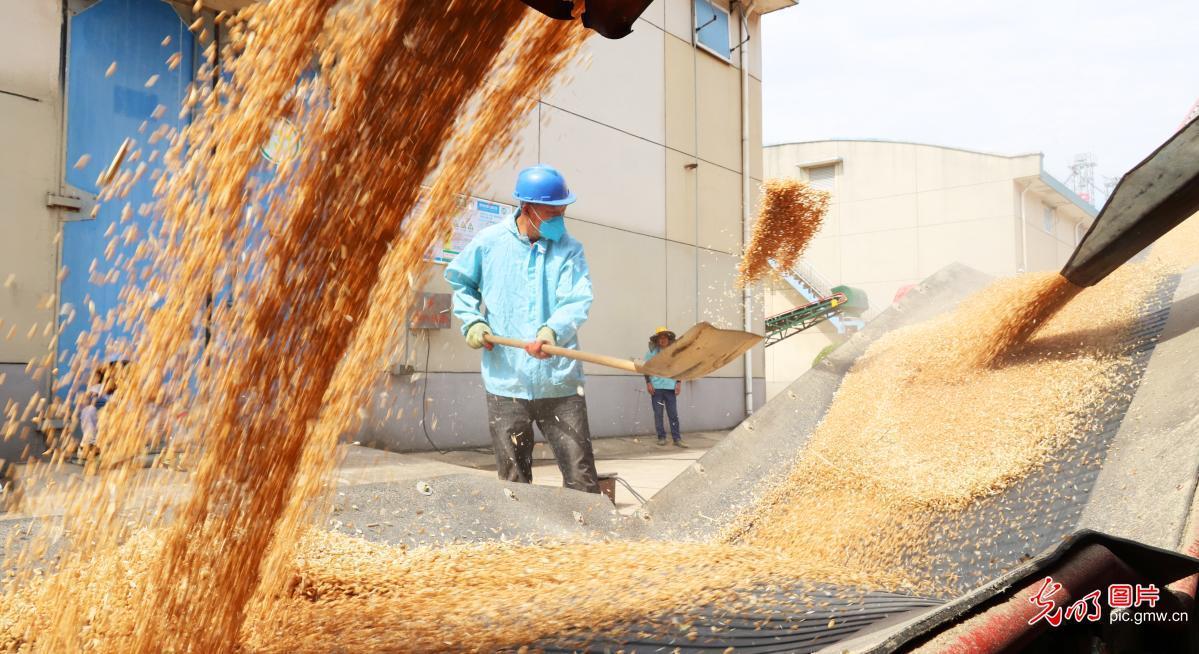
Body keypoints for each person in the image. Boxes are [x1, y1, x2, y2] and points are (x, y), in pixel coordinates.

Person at [444, 164, 600, 493]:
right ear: (526, 208)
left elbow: (576, 299)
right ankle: (523, 546)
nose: (560, 218)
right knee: (515, 483)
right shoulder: (489, 243)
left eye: (563, 211)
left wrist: (551, 332)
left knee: (581, 477)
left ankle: (589, 544)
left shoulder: (570, 249)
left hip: (559, 384)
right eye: (551, 212)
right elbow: (462, 284)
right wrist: (473, 320)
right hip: (506, 385)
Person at [644, 327, 684, 447]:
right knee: (658, 414)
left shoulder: (673, 353)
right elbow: (645, 368)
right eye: (660, 338)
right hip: (656, 387)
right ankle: (661, 437)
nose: (662, 340)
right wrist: (648, 383)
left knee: (673, 414)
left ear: (669, 339)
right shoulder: (651, 353)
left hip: (670, 387)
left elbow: (679, 368)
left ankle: (677, 439)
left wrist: (678, 383)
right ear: (656, 340)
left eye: (665, 337)